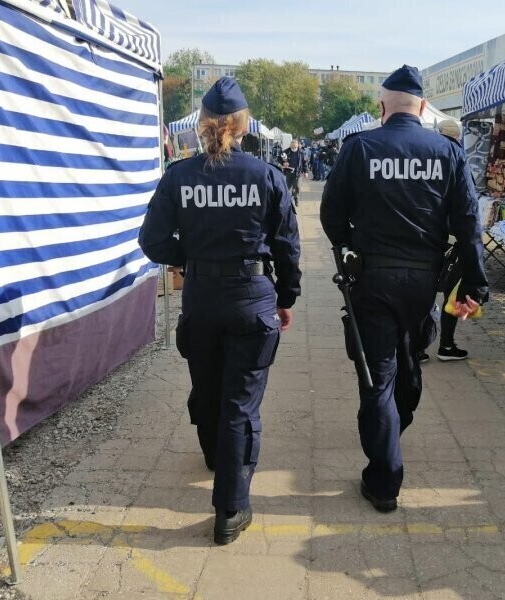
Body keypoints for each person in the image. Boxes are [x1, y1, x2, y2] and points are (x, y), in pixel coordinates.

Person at [138, 77, 302, 545]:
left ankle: (215, 454)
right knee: (240, 404)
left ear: (204, 124)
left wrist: (189, 255)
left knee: (209, 389)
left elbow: (151, 241)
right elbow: (288, 246)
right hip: (252, 298)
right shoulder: (267, 175)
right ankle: (230, 509)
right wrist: (286, 297)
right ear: (243, 124)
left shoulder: (179, 175)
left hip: (203, 298)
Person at [320, 65, 488, 512]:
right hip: (422, 282)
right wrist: (475, 285)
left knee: (378, 380)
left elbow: (331, 215)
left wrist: (349, 247)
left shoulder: (359, 148)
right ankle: (386, 456)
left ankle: (384, 473)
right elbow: (469, 224)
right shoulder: (447, 151)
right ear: (421, 107)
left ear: (381, 106)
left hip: (371, 278)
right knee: (408, 370)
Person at [420, 119, 470, 363]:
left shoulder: (425, 156)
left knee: (425, 291)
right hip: (454, 236)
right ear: (458, 138)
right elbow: (466, 203)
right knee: (453, 293)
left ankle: (418, 347)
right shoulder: (459, 158)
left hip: (427, 235)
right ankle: (446, 345)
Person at [281, 139, 305, 206]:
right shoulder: (285, 152)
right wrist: (283, 163)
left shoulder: (301, 153)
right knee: (287, 187)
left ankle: (296, 198)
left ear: (298, 145)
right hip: (289, 173)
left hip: (298, 173)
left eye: (295, 143)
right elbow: (279, 159)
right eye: (292, 143)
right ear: (290, 144)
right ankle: (286, 200)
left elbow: (304, 162)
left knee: (297, 186)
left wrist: (306, 171)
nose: (294, 144)